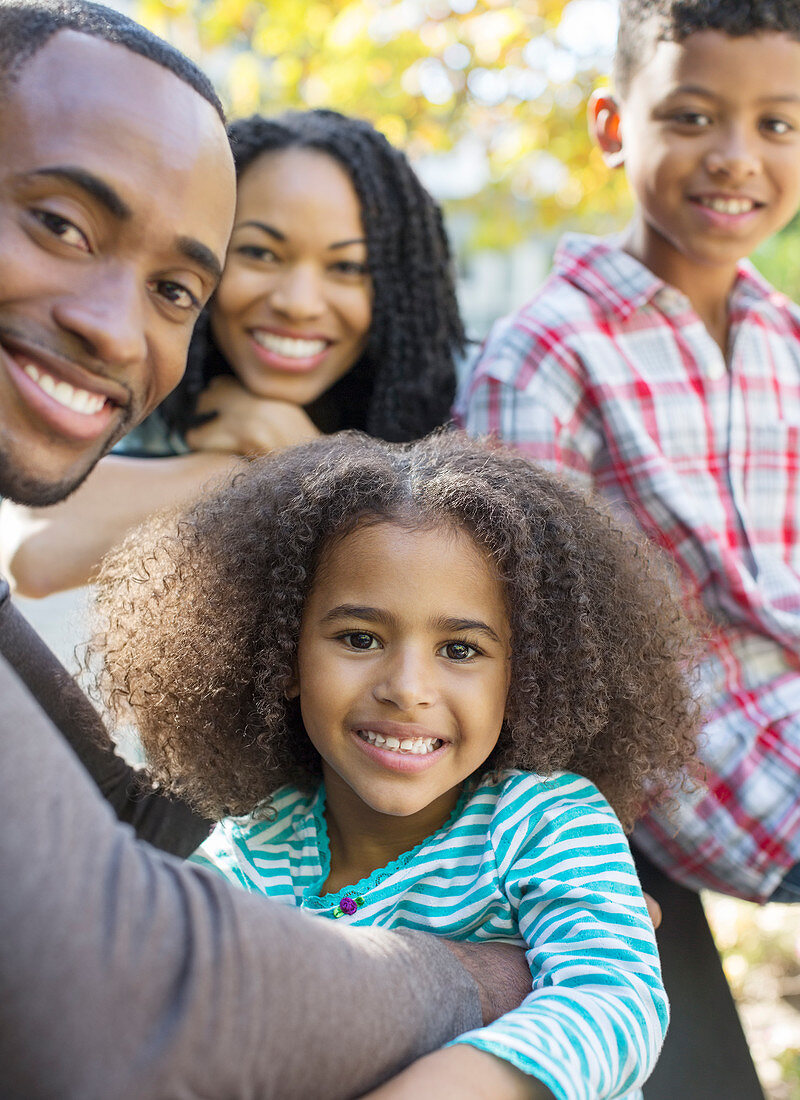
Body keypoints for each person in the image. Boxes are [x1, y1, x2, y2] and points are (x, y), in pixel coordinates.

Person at [0, 3, 530, 1096]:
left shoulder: (457, 496)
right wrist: (257, 479)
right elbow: (131, 967)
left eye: (170, 288)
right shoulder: (122, 426)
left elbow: (145, 817)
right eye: (58, 223)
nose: (112, 321)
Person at [86, 430, 701, 1100]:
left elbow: (614, 1003)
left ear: (521, 678)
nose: (408, 687)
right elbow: (184, 1009)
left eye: (461, 650)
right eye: (359, 638)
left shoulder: (545, 823)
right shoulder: (253, 850)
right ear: (282, 659)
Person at [455, 1, 800, 1094]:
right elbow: (523, 625)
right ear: (613, 125)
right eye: (691, 115)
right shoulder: (546, 351)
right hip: (695, 748)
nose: (735, 157)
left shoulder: (783, 335)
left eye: (777, 124)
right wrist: (564, 860)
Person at [1, 108, 466, 595]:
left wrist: (305, 463)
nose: (298, 304)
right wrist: (267, 462)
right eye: (260, 253)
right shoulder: (144, 379)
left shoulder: (456, 418)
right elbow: (34, 550)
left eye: (347, 267)